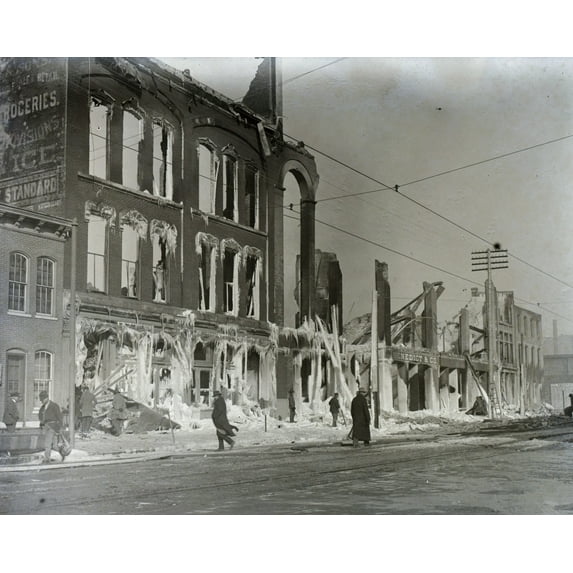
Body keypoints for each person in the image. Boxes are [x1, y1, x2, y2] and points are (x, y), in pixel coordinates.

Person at [38, 390, 66, 463]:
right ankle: (63, 454)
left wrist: (60, 427)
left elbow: (60, 417)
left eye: (43, 400)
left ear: (47, 398)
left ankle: (47, 459)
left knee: (47, 443)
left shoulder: (54, 405)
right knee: (55, 446)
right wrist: (41, 423)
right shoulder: (43, 407)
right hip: (46, 426)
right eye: (41, 400)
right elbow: (40, 415)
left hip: (52, 426)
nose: (42, 401)